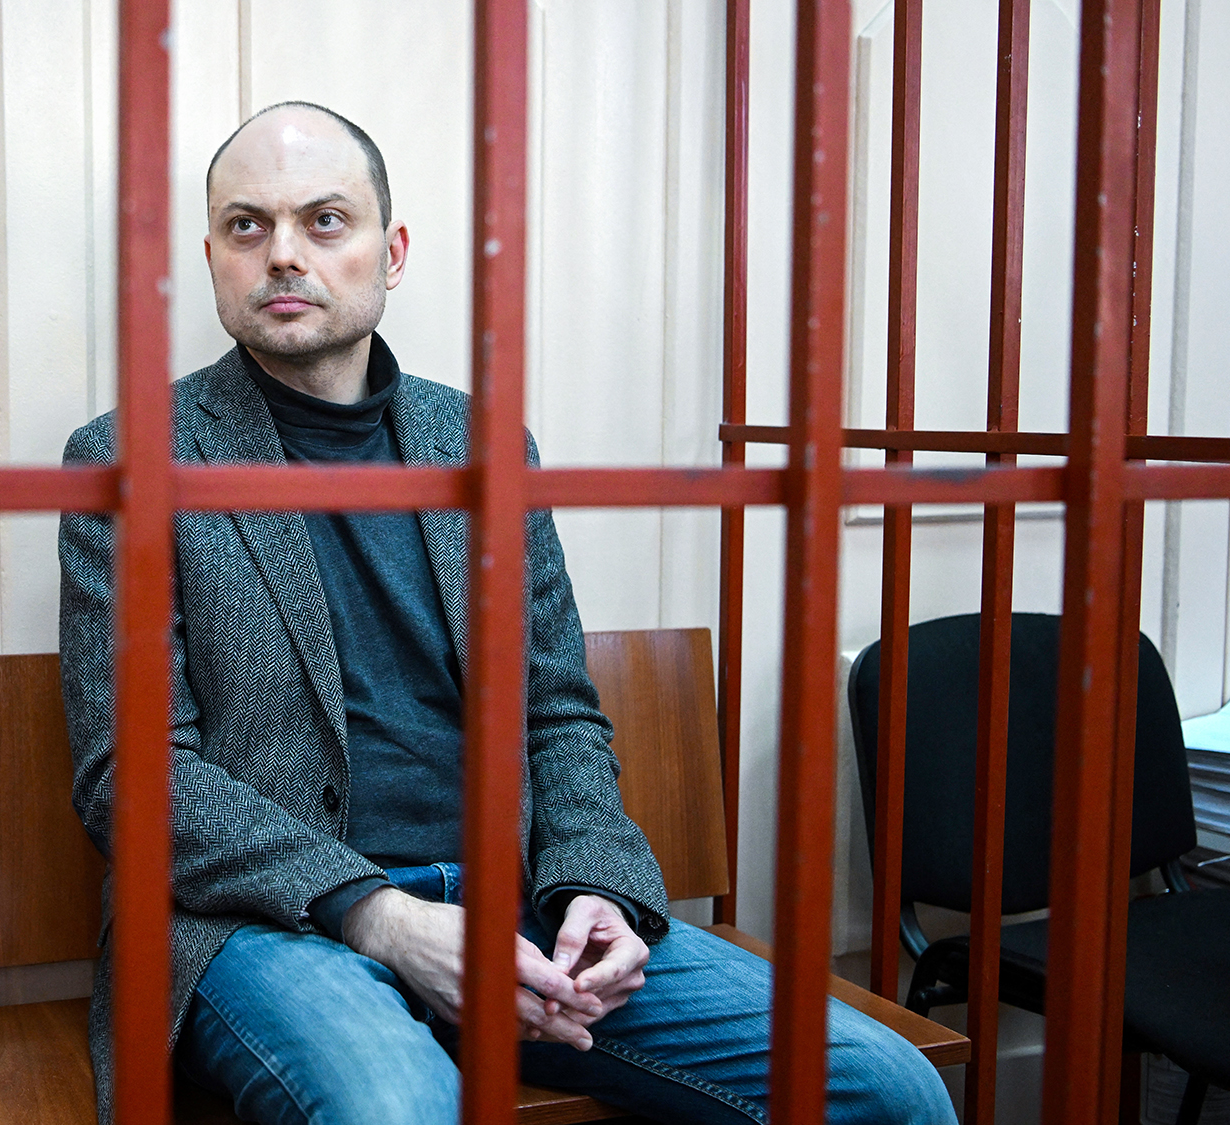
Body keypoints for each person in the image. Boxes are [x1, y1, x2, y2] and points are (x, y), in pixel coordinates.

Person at [58, 101, 956, 1125]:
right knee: (400, 1113)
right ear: (213, 257)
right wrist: (377, 915)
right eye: (247, 225)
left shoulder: (483, 446)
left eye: (324, 219)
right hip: (271, 923)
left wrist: (595, 885)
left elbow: (556, 710)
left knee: (890, 1090)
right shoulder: (130, 457)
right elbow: (130, 774)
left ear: (392, 252)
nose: (283, 254)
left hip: (517, 900)